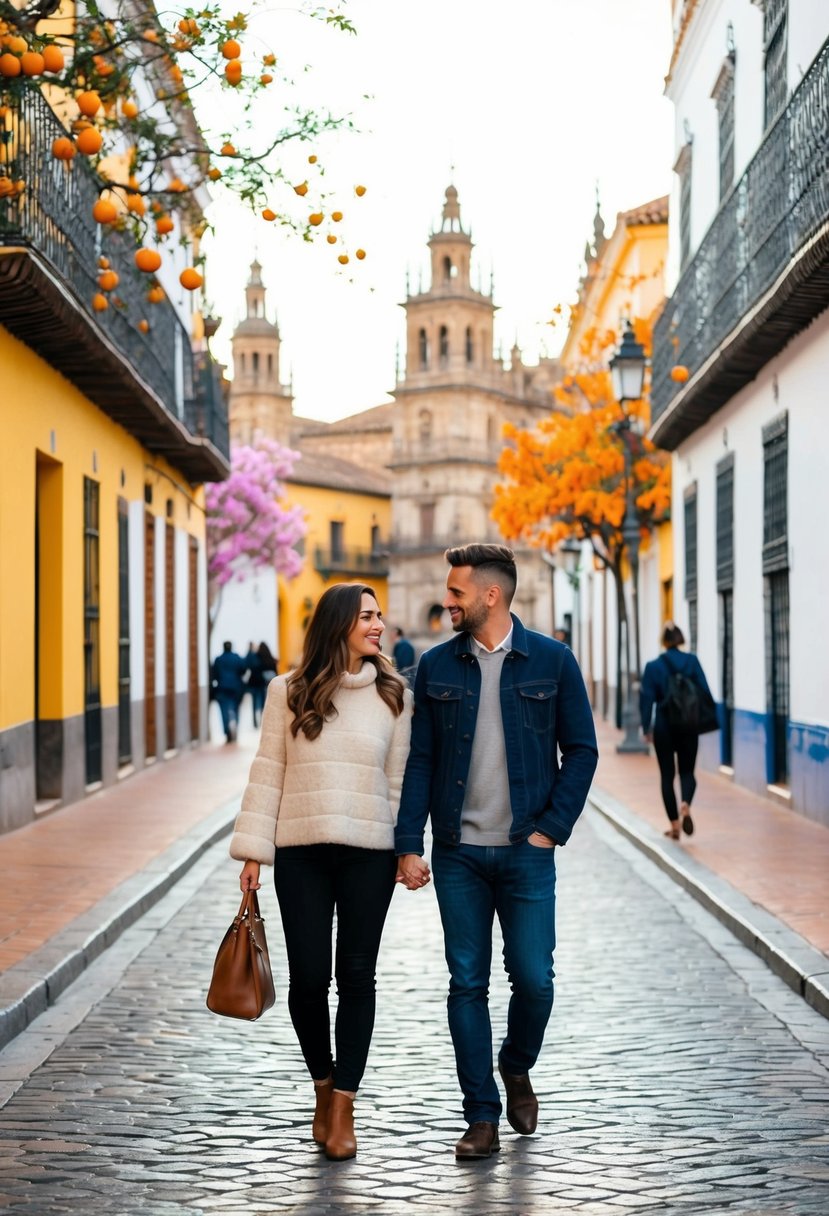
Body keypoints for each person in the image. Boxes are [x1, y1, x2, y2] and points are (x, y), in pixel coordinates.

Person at [395, 543, 598, 1160]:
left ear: (490, 595)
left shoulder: (553, 661)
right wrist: (409, 844)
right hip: (457, 853)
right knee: (465, 983)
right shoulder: (435, 666)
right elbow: (421, 760)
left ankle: (515, 1064)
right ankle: (480, 1116)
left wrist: (550, 829)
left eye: (456, 592)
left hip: (527, 851)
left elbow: (582, 751)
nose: (446, 601)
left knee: (535, 980)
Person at [230, 583, 412, 1161]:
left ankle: (345, 1108)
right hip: (302, 852)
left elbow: (398, 784)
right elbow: (268, 774)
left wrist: (405, 850)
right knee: (309, 982)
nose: (379, 625)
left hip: (368, 854)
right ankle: (322, 1084)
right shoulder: (287, 691)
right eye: (367, 616)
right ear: (338, 624)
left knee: (357, 978)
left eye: (380, 615)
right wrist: (254, 853)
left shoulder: (394, 696)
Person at [640, 621, 714, 840]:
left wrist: (646, 727)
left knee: (667, 776)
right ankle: (686, 805)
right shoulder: (692, 662)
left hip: (664, 727)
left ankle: (674, 826)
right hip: (689, 726)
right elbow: (705, 692)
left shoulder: (653, 666)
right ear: (681, 638)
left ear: (663, 641)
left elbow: (646, 700)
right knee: (688, 772)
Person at [211, 641, 248, 742]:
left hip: (222, 687)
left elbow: (214, 674)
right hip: (236, 687)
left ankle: (227, 731)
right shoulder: (237, 658)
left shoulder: (218, 659)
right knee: (236, 708)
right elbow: (244, 669)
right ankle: (235, 723)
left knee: (224, 710)